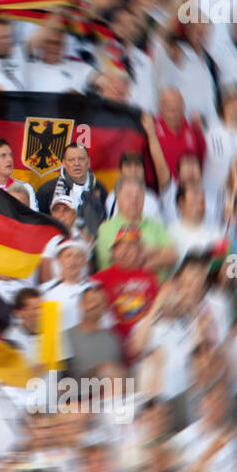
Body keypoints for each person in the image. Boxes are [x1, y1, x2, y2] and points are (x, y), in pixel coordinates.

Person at [92, 227, 160, 362]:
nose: (124, 251)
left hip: (144, 351)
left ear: (140, 251)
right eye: (119, 247)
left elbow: (157, 314)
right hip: (112, 352)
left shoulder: (150, 278)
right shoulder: (99, 279)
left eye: (131, 246)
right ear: (113, 252)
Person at [95, 177, 175, 276]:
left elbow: (172, 255)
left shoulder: (155, 225)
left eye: (139, 195)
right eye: (129, 195)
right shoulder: (106, 228)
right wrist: (155, 251)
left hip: (155, 288)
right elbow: (117, 258)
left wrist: (141, 261)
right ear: (118, 198)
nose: (134, 200)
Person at [35, 143, 106, 234]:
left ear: (88, 162)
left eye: (81, 159)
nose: (76, 163)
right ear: (64, 163)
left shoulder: (99, 189)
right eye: (71, 160)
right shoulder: (47, 190)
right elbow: (40, 225)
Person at [0, 137, 37, 210]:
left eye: (10, 155)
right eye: (3, 156)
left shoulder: (26, 188)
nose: (9, 159)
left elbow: (33, 219)